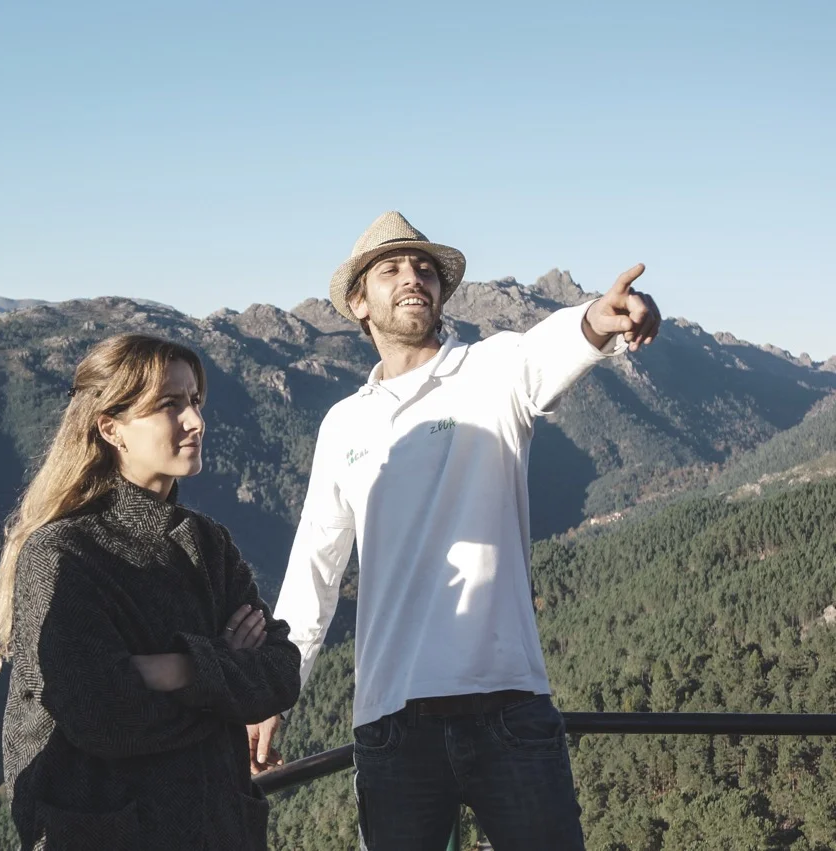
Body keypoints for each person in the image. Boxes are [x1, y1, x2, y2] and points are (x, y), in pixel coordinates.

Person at [249, 212, 661, 850]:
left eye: (424, 269)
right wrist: (276, 688)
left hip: (508, 704)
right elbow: (315, 567)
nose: (412, 278)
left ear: (441, 293)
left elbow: (553, 345)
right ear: (359, 303)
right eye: (390, 270)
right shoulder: (342, 424)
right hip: (391, 721)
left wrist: (597, 320)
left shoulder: (491, 370)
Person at [0, 333, 301, 850]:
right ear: (111, 428)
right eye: (169, 404)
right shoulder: (62, 554)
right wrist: (223, 677)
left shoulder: (208, 542)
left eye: (195, 401)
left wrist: (175, 669)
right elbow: (102, 717)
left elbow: (281, 671)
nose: (195, 420)